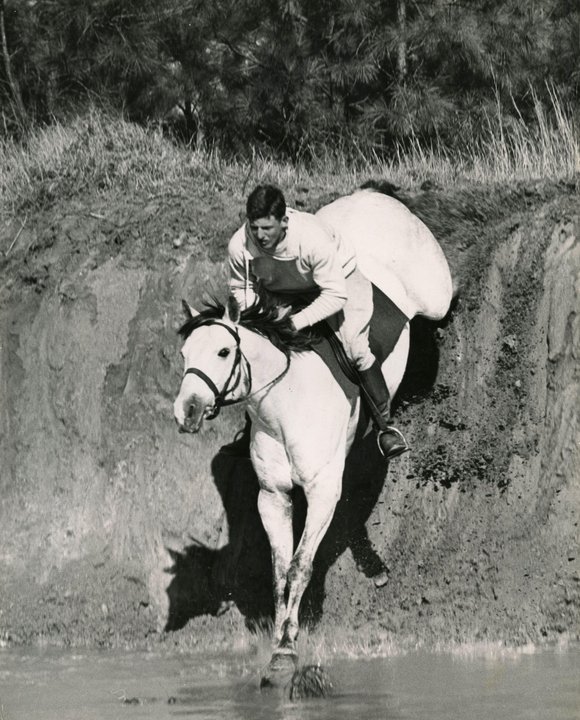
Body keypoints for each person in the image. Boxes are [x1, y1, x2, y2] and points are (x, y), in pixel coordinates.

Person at [223, 183, 408, 460]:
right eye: (254, 227)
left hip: (339, 283)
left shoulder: (311, 238)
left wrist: (294, 322)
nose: (259, 236)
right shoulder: (240, 245)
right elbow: (241, 289)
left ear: (284, 221)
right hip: (281, 290)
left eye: (267, 228)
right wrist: (261, 317)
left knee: (355, 349)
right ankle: (255, 428)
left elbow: (334, 295)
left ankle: (385, 426)